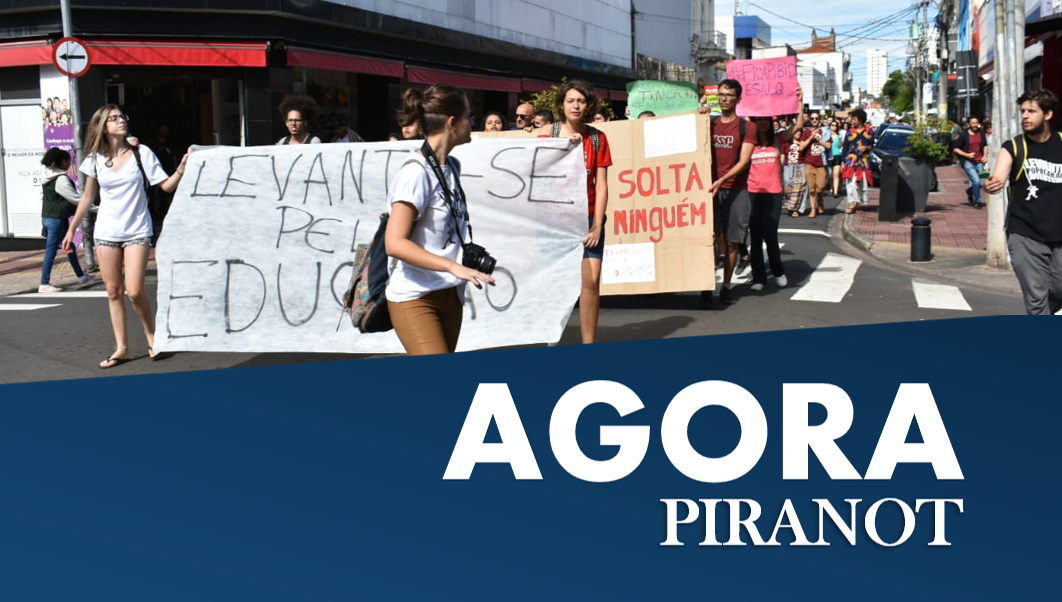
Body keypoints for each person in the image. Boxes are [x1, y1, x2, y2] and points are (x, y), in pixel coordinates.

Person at [60, 105, 191, 369]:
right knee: (113, 291)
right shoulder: (94, 159)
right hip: (107, 231)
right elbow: (87, 197)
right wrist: (71, 229)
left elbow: (165, 186)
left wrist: (181, 168)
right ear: (102, 126)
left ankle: (152, 335)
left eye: (123, 117)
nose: (121, 121)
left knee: (134, 290)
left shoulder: (142, 153)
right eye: (114, 118)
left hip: (137, 231)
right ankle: (122, 349)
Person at [384, 85, 495, 355]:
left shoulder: (452, 167)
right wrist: (451, 266)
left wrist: (460, 260)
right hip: (415, 296)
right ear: (452, 122)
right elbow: (394, 243)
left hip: (449, 293)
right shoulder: (416, 173)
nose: (472, 123)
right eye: (469, 116)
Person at [540, 80, 612, 343]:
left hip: (588, 218)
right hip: (554, 220)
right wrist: (561, 148)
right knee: (555, 282)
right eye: (570, 100)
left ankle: (588, 344)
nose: (575, 105)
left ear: (588, 105)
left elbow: (601, 184)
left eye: (581, 101)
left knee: (591, 281)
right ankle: (551, 337)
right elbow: (537, 173)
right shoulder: (548, 133)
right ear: (561, 105)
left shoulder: (597, 138)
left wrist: (598, 226)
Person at [985, 89, 1062, 315]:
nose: (1025, 116)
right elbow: (998, 175)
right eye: (1023, 111)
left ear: (1048, 115)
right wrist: (992, 183)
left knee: (1058, 290)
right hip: (1025, 233)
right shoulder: (1014, 147)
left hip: (1058, 234)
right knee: (1036, 299)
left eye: (1032, 111)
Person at [698, 79, 757, 308]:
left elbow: (744, 162)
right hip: (710, 191)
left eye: (729, 95)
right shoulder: (708, 122)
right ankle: (705, 286)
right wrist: (698, 113)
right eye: (721, 94)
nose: (724, 98)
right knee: (709, 240)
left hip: (736, 190)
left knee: (733, 242)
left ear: (738, 99)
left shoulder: (746, 127)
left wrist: (722, 180)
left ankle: (726, 286)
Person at [746, 89, 804, 293]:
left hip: (773, 194)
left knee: (770, 235)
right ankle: (759, 277)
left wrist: (800, 100)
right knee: (755, 237)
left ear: (770, 122)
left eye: (765, 119)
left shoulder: (778, 139)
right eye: (758, 119)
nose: (762, 123)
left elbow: (798, 124)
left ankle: (778, 272)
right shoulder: (748, 143)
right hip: (752, 193)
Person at [39, 148, 92, 293]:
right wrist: (95, 208)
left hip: (50, 218)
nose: (69, 164)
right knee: (51, 251)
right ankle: (44, 284)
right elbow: (75, 199)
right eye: (68, 161)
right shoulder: (60, 179)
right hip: (56, 220)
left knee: (70, 247)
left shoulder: (48, 176)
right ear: (62, 162)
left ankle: (81, 276)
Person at [841, 108, 874, 214]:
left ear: (860, 120)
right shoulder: (849, 132)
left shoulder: (870, 131)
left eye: (854, 119)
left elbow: (873, 146)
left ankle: (857, 202)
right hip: (850, 160)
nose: (852, 121)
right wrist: (842, 161)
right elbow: (845, 146)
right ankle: (852, 202)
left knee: (861, 183)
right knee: (850, 183)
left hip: (863, 161)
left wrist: (866, 148)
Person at [798, 111, 830, 217]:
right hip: (809, 163)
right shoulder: (806, 132)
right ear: (810, 120)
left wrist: (819, 140)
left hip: (821, 163)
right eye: (812, 118)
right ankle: (813, 209)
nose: (814, 120)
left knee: (820, 187)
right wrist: (810, 138)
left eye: (816, 118)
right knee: (811, 188)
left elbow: (829, 146)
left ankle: (820, 199)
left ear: (819, 119)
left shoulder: (824, 132)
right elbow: (801, 147)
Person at [953, 116, 988, 208]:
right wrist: (967, 155)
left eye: (976, 123)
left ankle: (969, 191)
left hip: (979, 161)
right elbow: (956, 149)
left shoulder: (981, 132)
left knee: (981, 183)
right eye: (973, 123)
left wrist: (985, 156)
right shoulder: (964, 135)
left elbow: (985, 145)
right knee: (976, 182)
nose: (975, 125)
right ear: (969, 124)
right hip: (968, 162)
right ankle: (978, 202)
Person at [830, 122, 844, 197]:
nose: (834, 126)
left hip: (837, 155)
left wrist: (841, 142)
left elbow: (841, 146)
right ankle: (832, 187)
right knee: (830, 174)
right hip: (829, 156)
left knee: (836, 174)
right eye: (833, 125)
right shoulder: (827, 136)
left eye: (835, 125)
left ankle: (835, 192)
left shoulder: (839, 136)